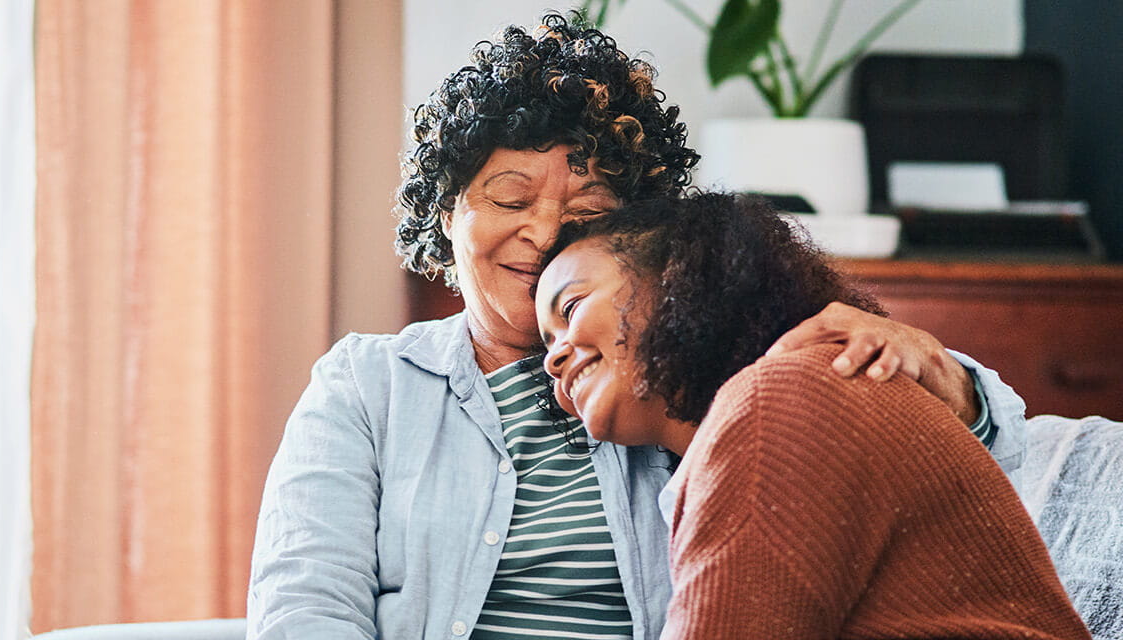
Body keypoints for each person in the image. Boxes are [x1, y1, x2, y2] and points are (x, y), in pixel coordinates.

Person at [247, 14, 1023, 639]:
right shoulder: (368, 387)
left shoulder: (690, 365)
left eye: (586, 215)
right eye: (512, 200)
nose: (544, 231)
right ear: (447, 213)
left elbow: (927, 457)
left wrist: (944, 378)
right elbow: (304, 607)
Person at [534, 193, 1089, 639]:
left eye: (571, 307)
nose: (555, 358)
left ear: (678, 276)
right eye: (546, 344)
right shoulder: (779, 400)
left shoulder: (775, 404)